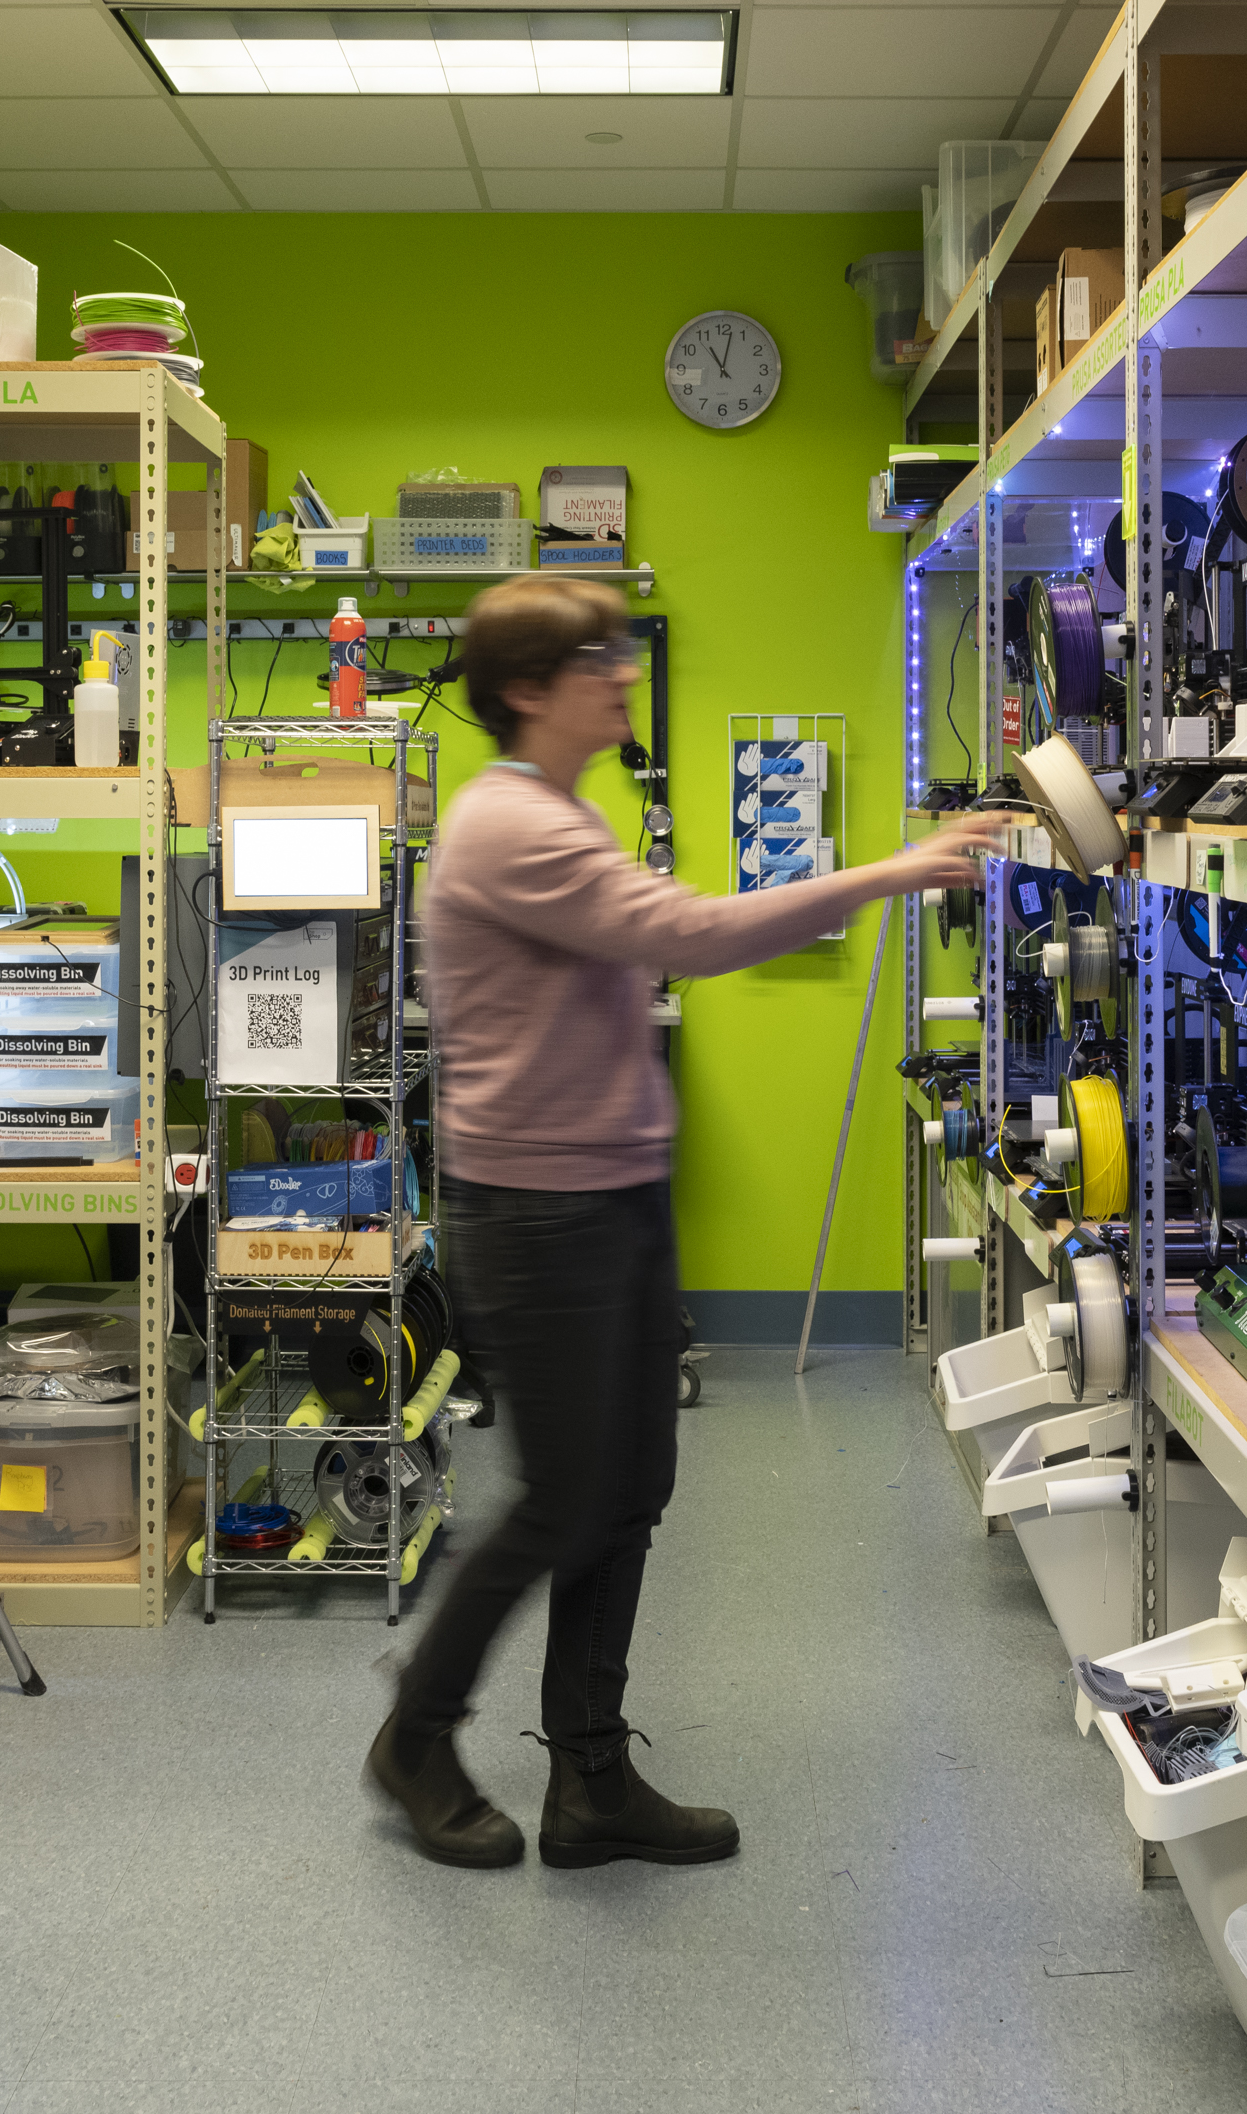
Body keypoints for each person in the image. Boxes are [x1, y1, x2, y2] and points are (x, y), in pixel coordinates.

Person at [365, 576, 1008, 1870]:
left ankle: (590, 1781)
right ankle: (416, 1740)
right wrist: (888, 873)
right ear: (530, 692)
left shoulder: (558, 807)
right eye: (595, 656)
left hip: (606, 1190)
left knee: (630, 1491)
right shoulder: (508, 825)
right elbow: (688, 935)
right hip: (537, 1210)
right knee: (562, 1502)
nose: (621, 671)